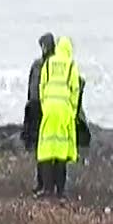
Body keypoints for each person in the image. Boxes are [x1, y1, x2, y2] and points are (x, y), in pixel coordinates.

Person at [36, 35, 81, 198]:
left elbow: (41, 86)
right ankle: (60, 191)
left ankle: (47, 188)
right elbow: (75, 90)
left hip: (48, 109)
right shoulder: (71, 66)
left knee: (47, 149)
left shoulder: (48, 63)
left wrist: (44, 106)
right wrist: (73, 112)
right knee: (61, 151)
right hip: (64, 111)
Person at [22, 32, 55, 192]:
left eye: (44, 45)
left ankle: (47, 183)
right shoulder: (37, 64)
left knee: (49, 147)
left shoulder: (53, 65)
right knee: (39, 147)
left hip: (47, 107)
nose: (43, 48)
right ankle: (41, 182)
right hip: (35, 106)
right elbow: (30, 87)